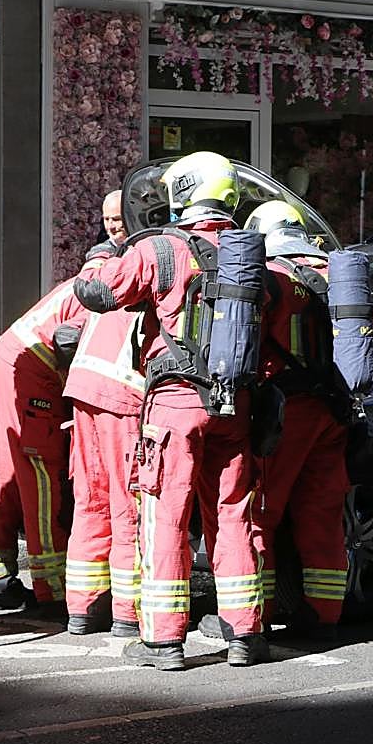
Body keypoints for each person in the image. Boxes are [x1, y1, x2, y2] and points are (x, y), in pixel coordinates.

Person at [74, 152, 270, 671]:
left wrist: (99, 258)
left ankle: (163, 639)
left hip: (177, 403)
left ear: (182, 192)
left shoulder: (165, 248)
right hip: (236, 403)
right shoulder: (248, 254)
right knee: (233, 514)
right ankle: (245, 634)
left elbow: (99, 292)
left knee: (165, 516)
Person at [0, 249, 100, 619]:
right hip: (35, 373)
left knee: (5, 471)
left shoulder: (90, 279)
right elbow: (68, 342)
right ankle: (54, 588)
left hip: (16, 360)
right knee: (43, 475)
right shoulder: (101, 291)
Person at [243, 201, 351, 641]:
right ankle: (325, 613)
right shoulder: (335, 272)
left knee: (260, 511)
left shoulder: (273, 275)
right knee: (322, 512)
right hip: (336, 410)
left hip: (287, 412)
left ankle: (258, 613)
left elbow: (246, 334)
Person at [62, 202, 144, 638]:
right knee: (127, 503)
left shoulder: (110, 264)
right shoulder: (155, 262)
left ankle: (83, 609)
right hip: (123, 394)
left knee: (90, 501)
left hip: (84, 387)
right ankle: (127, 614)